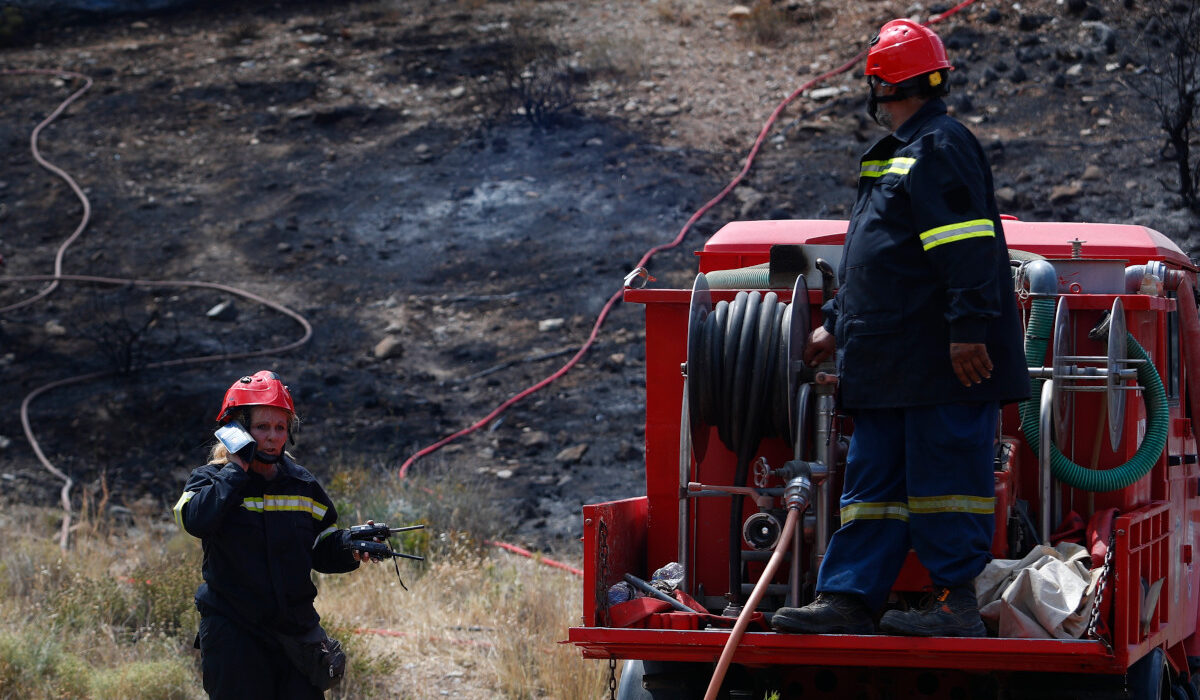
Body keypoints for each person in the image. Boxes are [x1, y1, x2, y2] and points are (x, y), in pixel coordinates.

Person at [771, 19, 1030, 637]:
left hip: (941, 362)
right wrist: (835, 324)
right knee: (872, 488)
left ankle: (955, 604)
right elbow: (879, 264)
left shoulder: (938, 146)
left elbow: (966, 247)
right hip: (888, 363)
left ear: (882, 84)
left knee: (947, 482)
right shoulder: (897, 155)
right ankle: (850, 598)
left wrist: (968, 330)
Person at [173, 370, 377, 698]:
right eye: (262, 427)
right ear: (237, 429)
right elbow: (196, 521)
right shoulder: (209, 480)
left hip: (296, 633)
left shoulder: (303, 486)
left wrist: (350, 546)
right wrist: (236, 470)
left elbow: (319, 548)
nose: (272, 437)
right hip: (234, 632)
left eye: (280, 428)